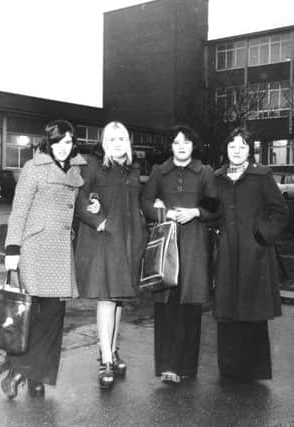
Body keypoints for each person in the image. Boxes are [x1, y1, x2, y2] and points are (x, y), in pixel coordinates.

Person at [0, 120, 86, 399]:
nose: (64, 147)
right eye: (59, 142)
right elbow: (19, 209)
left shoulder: (74, 170)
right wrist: (12, 249)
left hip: (60, 250)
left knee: (53, 317)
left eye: (69, 142)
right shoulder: (33, 168)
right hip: (35, 248)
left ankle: (35, 375)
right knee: (32, 315)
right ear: (49, 143)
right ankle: (18, 370)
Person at [141, 125, 219, 383]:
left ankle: (187, 367)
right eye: (176, 142)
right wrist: (164, 213)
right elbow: (145, 202)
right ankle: (167, 366)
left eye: (186, 142)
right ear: (171, 146)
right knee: (167, 305)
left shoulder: (205, 172)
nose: (181, 146)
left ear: (192, 146)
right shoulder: (159, 172)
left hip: (195, 243)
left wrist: (196, 212)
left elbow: (214, 206)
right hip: (167, 243)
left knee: (191, 306)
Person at [75, 121, 147, 390]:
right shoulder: (93, 165)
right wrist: (99, 220)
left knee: (119, 300)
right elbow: (80, 199)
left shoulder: (133, 168)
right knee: (107, 299)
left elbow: (138, 202)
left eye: (122, 138)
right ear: (104, 142)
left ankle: (113, 350)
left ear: (127, 141)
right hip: (104, 240)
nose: (117, 143)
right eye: (112, 138)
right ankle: (104, 360)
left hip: (128, 240)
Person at [214, 127, 288, 381]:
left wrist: (262, 236)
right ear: (226, 149)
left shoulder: (261, 175)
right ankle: (230, 369)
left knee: (253, 310)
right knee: (227, 310)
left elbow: (279, 211)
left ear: (250, 150)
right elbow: (211, 209)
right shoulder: (218, 178)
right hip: (226, 254)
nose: (237, 151)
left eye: (242, 146)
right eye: (232, 146)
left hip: (255, 254)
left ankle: (254, 370)